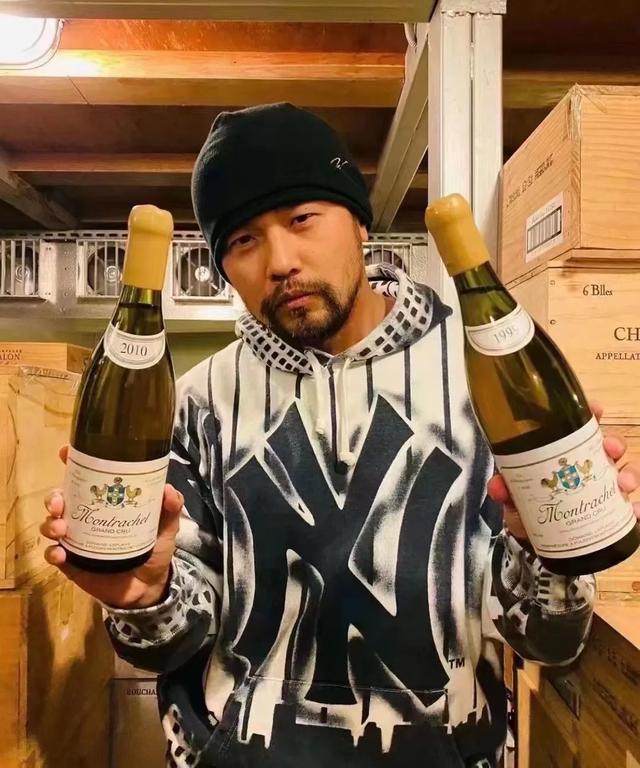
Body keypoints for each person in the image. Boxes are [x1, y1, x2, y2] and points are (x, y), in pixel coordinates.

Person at [42, 103, 639, 768]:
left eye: (302, 219)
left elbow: (549, 642)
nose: (280, 261)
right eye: (243, 241)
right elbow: (169, 644)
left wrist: (550, 553)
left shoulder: (483, 376)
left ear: (358, 220)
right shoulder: (195, 404)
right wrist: (146, 595)